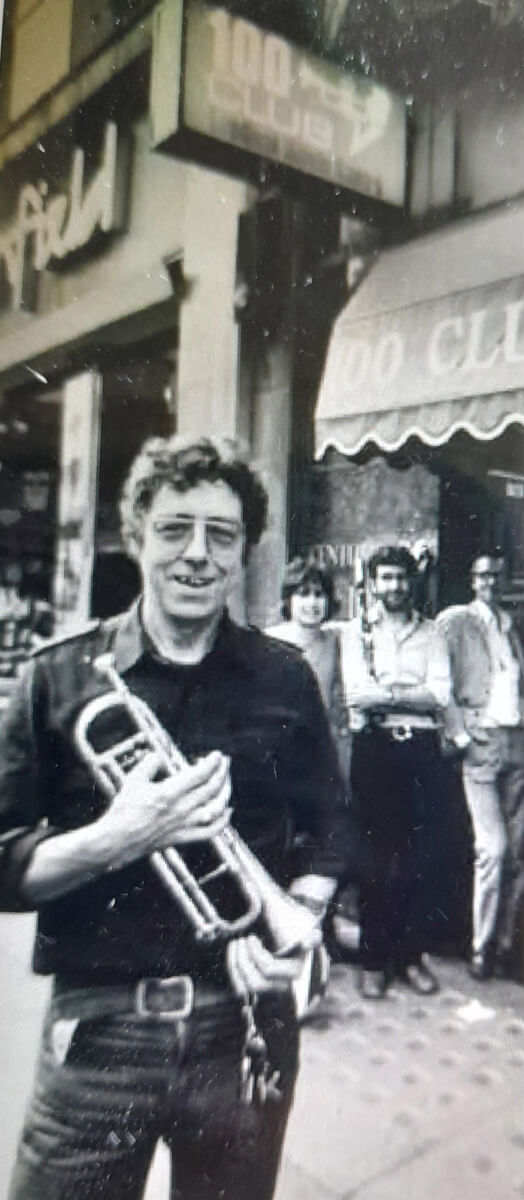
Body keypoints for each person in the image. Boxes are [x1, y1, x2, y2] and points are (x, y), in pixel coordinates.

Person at [0, 434, 353, 1200]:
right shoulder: (55, 677)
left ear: (244, 552)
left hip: (245, 1026)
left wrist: (301, 916)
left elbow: (330, 827)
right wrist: (120, 836)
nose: (197, 554)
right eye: (174, 530)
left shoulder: (285, 678)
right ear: (136, 538)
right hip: (98, 1041)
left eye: (221, 536)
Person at [341, 544, 451, 1000]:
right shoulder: (356, 633)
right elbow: (356, 694)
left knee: (419, 857)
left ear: (414, 581)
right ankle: (373, 959)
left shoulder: (434, 633)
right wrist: (408, 692)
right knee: (374, 856)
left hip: (422, 750)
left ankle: (410, 957)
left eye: (402, 578)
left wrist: (386, 696)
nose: (395, 587)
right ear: (373, 584)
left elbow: (439, 695)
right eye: (386, 578)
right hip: (375, 751)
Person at [437, 555, 524, 981]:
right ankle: (480, 947)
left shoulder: (510, 625)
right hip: (481, 746)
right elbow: (438, 683)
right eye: (481, 575)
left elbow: (522, 682)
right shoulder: (456, 621)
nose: (489, 583)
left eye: (496, 577)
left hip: (516, 742)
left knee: (516, 856)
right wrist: (460, 734)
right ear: (471, 579)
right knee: (492, 850)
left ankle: (502, 945)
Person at [266, 558, 350, 779]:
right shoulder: (268, 641)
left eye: (319, 594)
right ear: (288, 599)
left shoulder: (335, 639)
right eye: (303, 594)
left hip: (320, 744)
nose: (312, 602)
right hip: (277, 743)